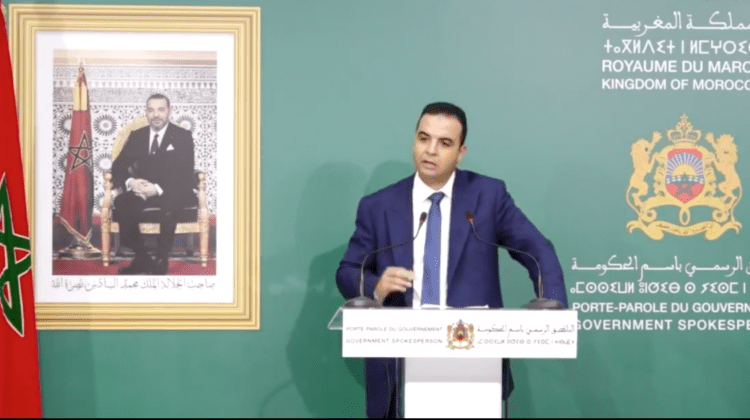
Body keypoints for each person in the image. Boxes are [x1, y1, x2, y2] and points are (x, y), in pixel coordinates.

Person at [335, 102, 568, 418]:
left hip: (475, 358)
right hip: (399, 361)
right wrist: (376, 286)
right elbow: (348, 271)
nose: (430, 150)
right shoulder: (378, 205)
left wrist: (553, 305)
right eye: (423, 138)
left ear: (460, 152)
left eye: (444, 143)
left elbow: (537, 249)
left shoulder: (488, 196)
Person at [112, 93, 196, 275]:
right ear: (146, 113)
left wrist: (157, 189)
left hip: (172, 190)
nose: (155, 114)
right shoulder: (138, 136)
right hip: (143, 190)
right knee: (122, 202)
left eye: (160, 110)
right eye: (151, 110)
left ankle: (161, 258)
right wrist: (131, 182)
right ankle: (141, 257)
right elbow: (118, 165)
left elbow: (185, 172)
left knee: (170, 203)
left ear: (169, 111)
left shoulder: (182, 136)